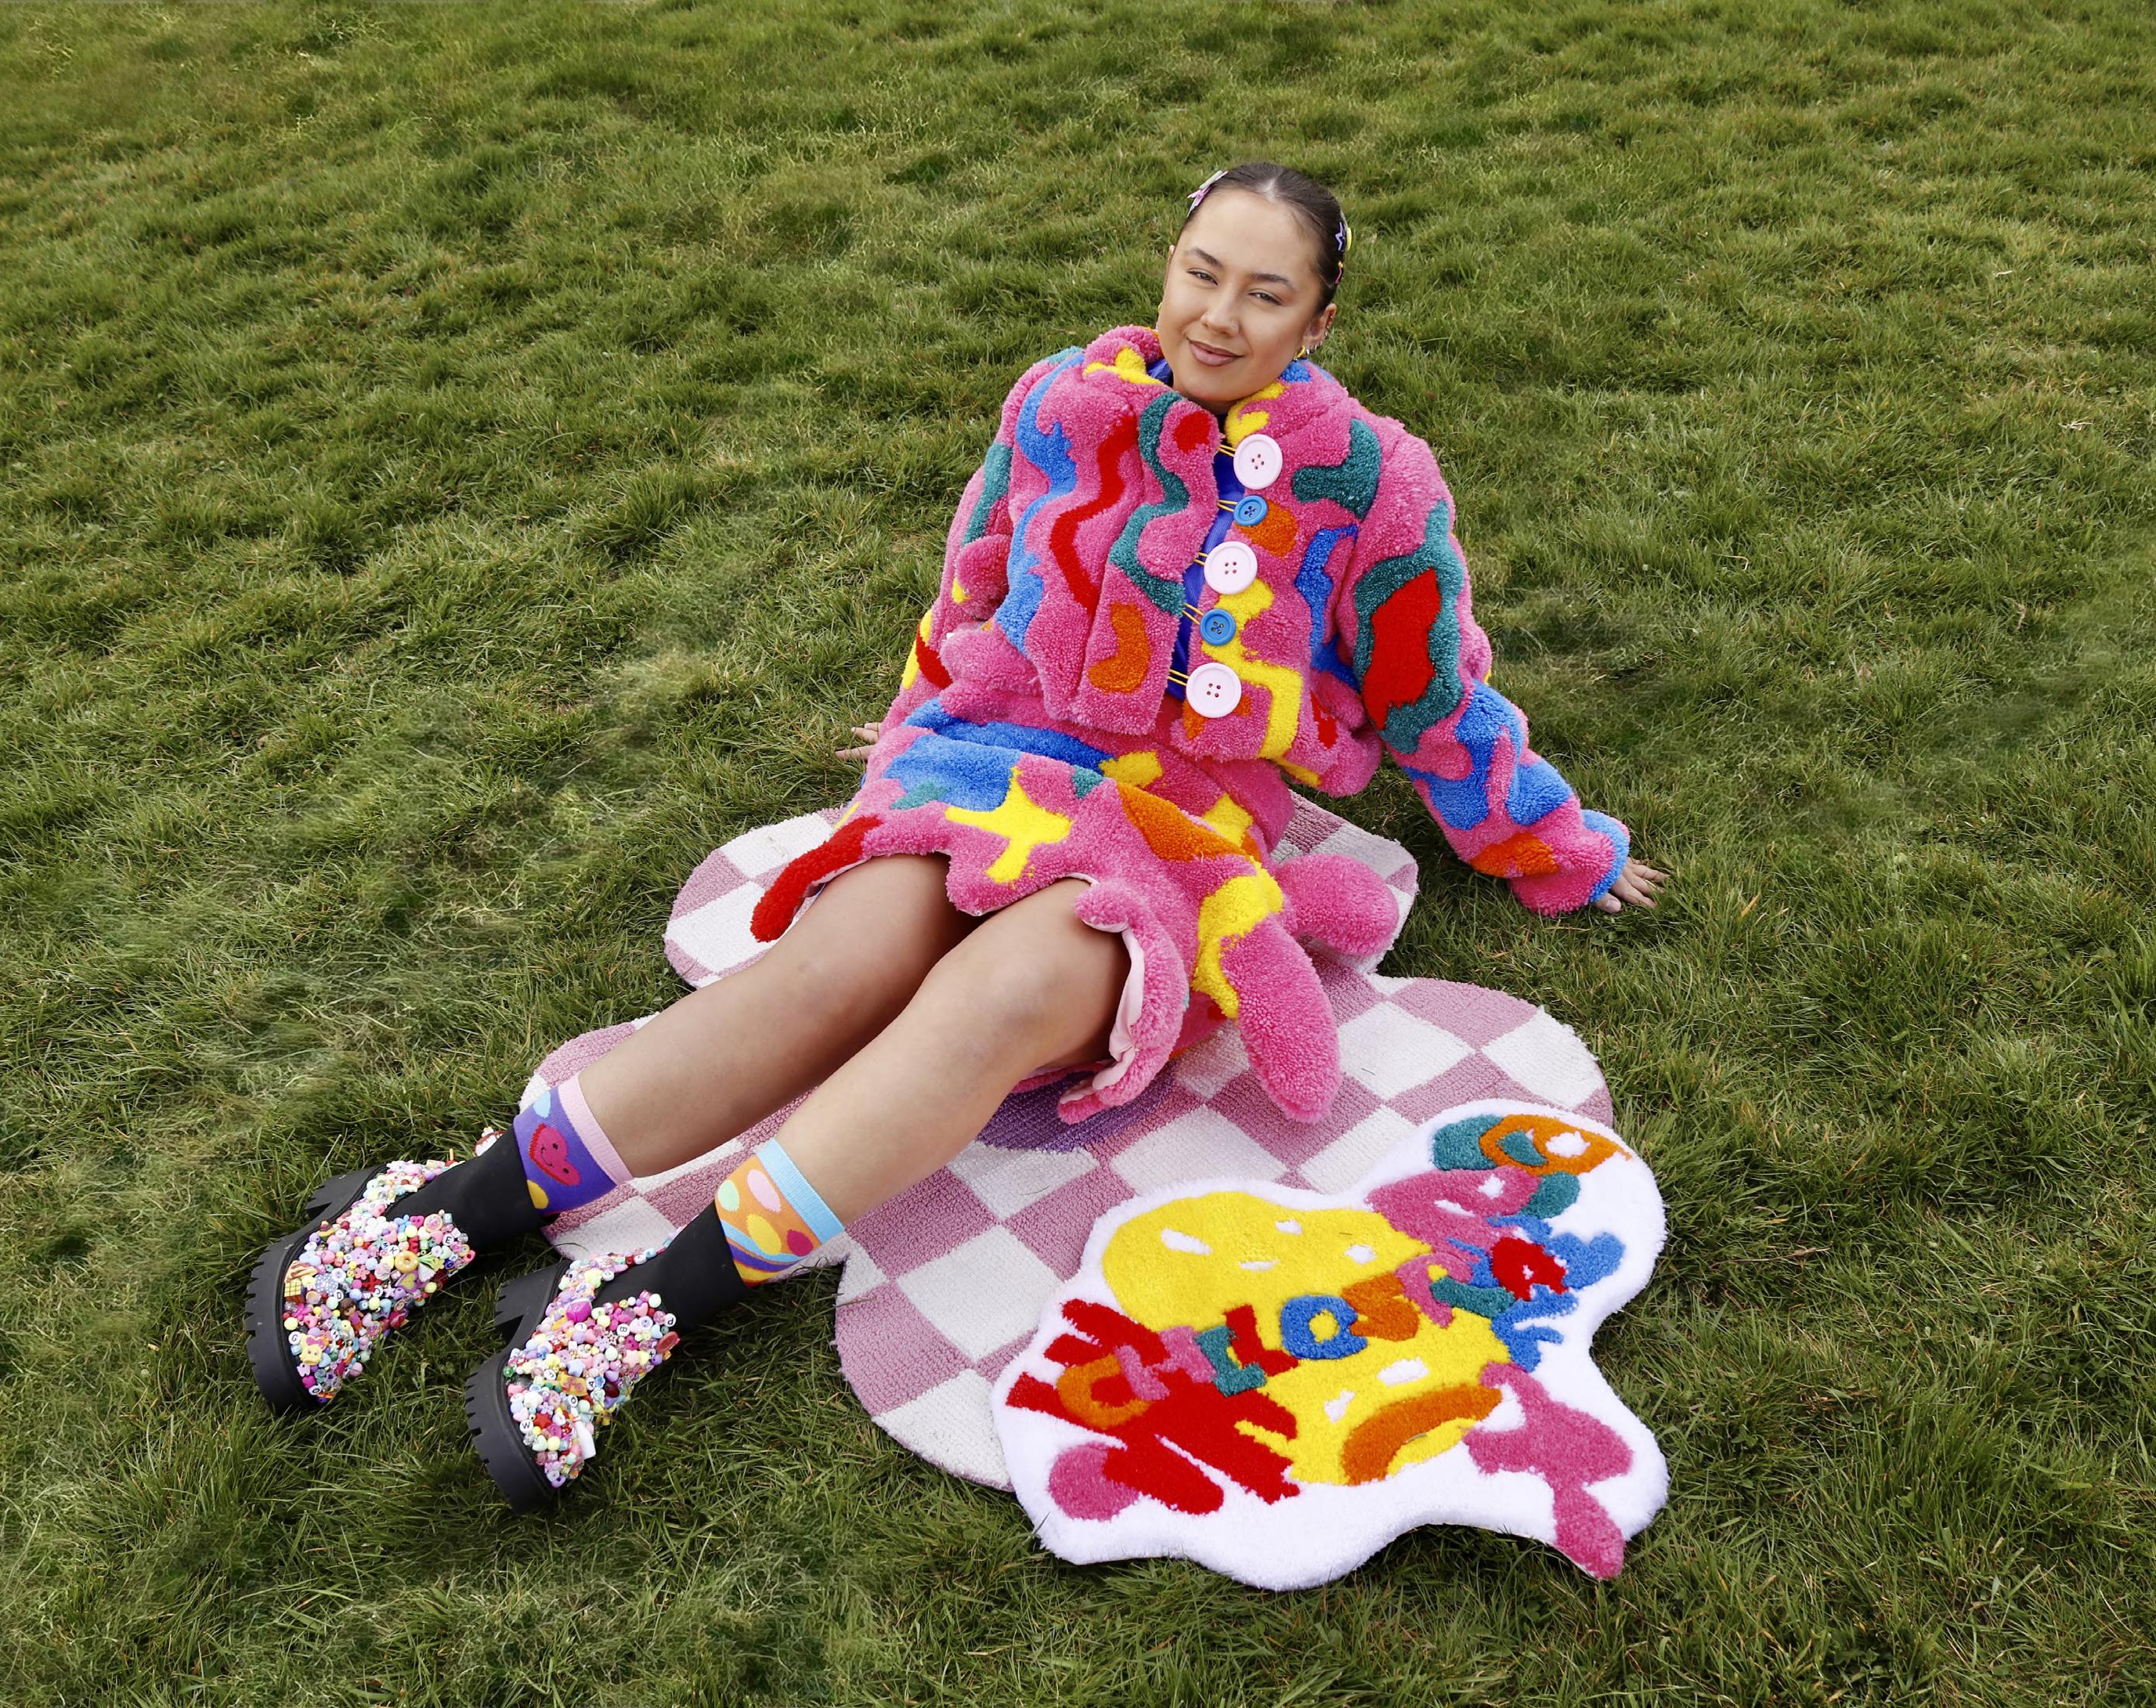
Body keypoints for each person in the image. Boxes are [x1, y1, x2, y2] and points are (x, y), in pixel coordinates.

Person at [244, 161, 1669, 1509]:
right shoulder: (1059, 399)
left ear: (1319, 322)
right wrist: (906, 745)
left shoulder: (1371, 480)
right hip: (996, 755)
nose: (1219, 317)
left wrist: (1556, 843)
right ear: (1168, 266)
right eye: (1201, 272)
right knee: (841, 964)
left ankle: (649, 1304)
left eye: (1266, 294)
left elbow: (1436, 692)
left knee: (1000, 995)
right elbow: (970, 585)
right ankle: (447, 1212)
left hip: (1171, 822)